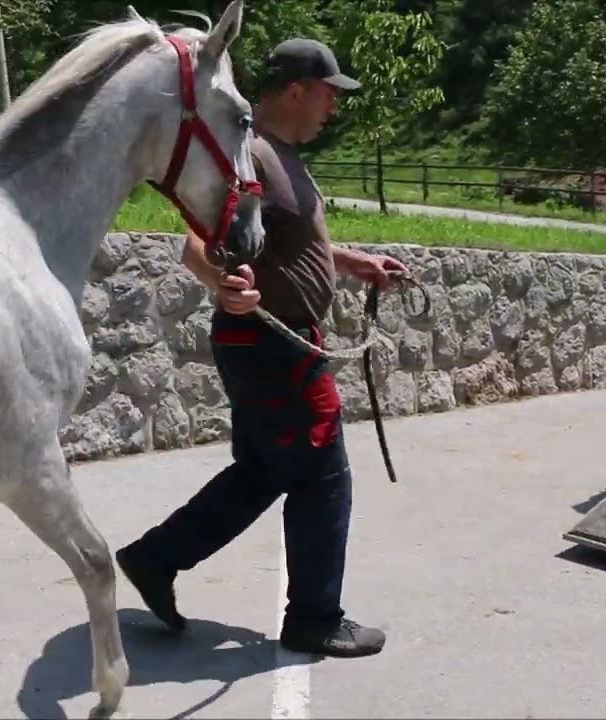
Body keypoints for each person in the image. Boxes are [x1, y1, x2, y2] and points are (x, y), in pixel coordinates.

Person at [114, 37, 408, 658]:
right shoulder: (252, 155)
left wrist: (353, 262)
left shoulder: (280, 156)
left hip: (272, 345)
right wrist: (222, 285)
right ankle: (314, 619)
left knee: (264, 471)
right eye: (328, 94)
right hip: (274, 347)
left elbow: (285, 243)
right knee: (323, 477)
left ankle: (155, 557)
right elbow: (197, 244)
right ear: (298, 90)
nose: (333, 107)